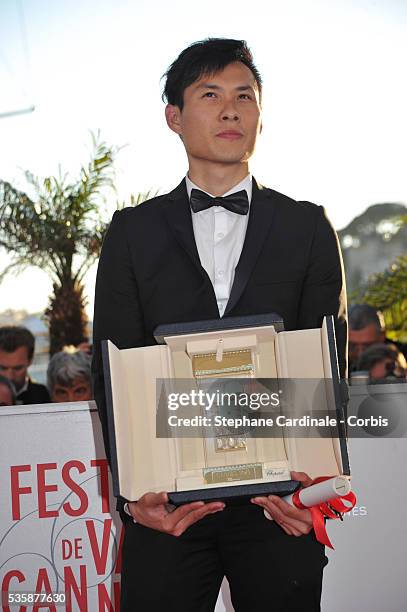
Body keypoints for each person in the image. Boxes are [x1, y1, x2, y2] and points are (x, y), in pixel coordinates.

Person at [92, 38, 347, 611]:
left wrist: (315, 492)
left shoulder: (307, 227)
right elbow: (113, 368)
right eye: (210, 94)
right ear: (174, 118)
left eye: (244, 96)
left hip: (279, 503)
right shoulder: (132, 232)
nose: (231, 109)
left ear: (260, 113)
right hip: (170, 506)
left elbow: (328, 365)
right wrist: (135, 497)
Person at [0, 326, 51, 405]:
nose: (10, 376)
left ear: (30, 360)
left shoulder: (42, 395)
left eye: (18, 368)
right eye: (3, 368)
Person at [348, 304, 407, 372]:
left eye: (367, 346)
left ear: (382, 336)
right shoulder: (337, 363)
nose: (360, 354)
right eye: (352, 346)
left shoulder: (402, 356)